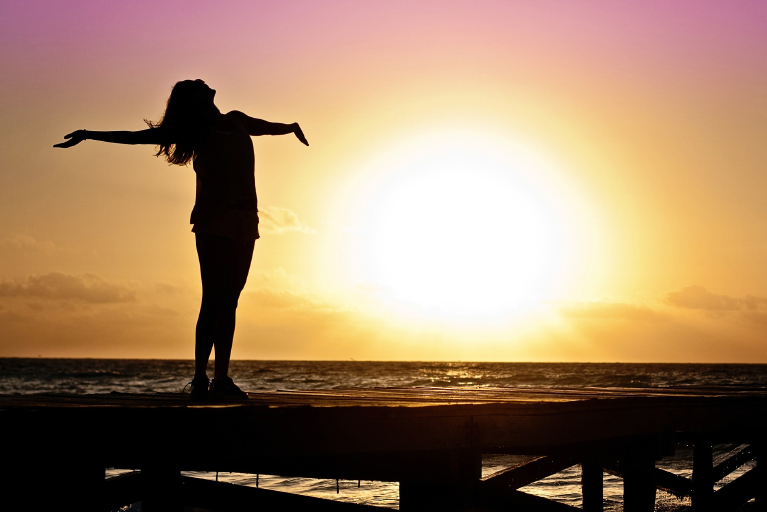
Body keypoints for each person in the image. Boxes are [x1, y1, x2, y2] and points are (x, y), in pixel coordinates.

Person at [55, 79, 309, 400]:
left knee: (229, 302)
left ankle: (221, 379)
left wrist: (291, 127)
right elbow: (137, 138)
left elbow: (267, 127)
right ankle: (201, 379)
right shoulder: (196, 131)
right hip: (213, 221)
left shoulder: (236, 120)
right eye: (197, 87)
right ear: (195, 101)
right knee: (214, 299)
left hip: (247, 222)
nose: (205, 84)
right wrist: (90, 134)